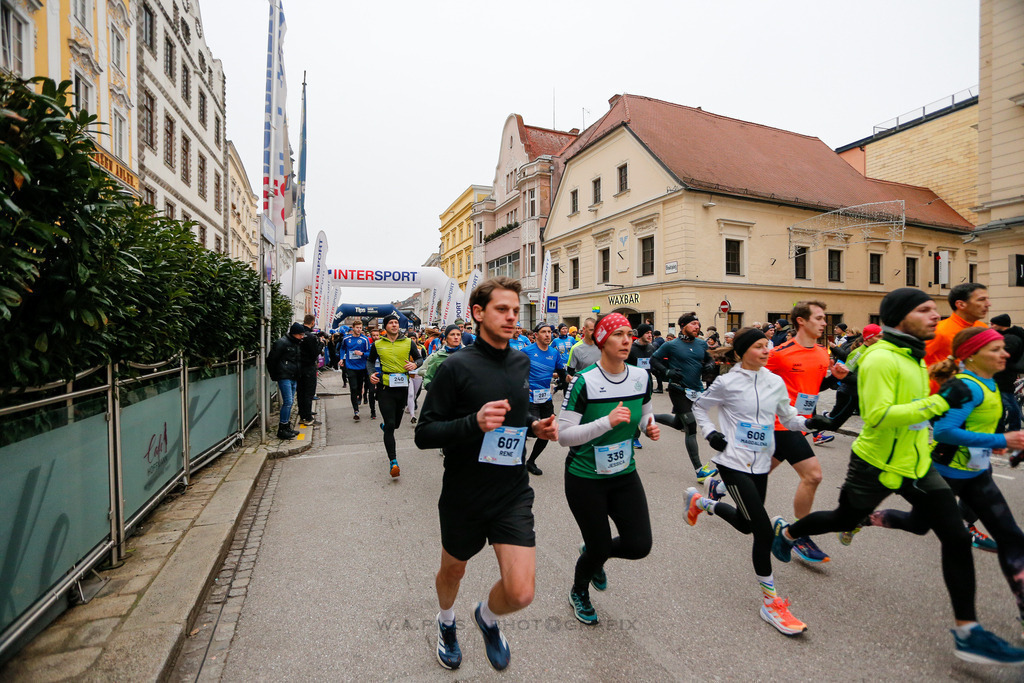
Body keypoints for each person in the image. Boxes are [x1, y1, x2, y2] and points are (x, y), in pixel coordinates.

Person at [771, 288, 1024, 666]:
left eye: (934, 309)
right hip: (875, 465)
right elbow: (877, 415)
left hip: (917, 464)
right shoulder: (880, 358)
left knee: (955, 537)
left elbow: (920, 414)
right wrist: (940, 402)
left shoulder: (914, 355)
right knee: (844, 518)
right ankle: (789, 533)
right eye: (924, 310)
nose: (934, 316)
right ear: (901, 316)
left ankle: (968, 632)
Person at [414, 277, 558, 672]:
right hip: (465, 493)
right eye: (502, 310)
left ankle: (487, 617)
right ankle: (446, 623)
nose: (512, 317)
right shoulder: (455, 366)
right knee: (453, 570)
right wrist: (472, 424)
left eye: (515, 311)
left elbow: (516, 416)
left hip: (512, 490)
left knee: (521, 592)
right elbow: (424, 434)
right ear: (478, 313)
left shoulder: (520, 361)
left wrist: (533, 427)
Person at [850, 327, 1024, 638]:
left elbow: (975, 427)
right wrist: (1001, 438)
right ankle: (862, 517)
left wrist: (993, 444)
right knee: (919, 525)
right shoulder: (964, 388)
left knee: (1012, 536)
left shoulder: (991, 384)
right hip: (945, 474)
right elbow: (943, 432)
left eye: (1003, 348)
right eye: (996, 349)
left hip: (977, 474)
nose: (1005, 354)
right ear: (971, 354)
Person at [686, 327, 818, 635]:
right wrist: (710, 433)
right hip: (732, 462)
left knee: (746, 524)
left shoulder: (774, 382)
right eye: (759, 346)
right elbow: (700, 408)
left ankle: (701, 502)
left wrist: (811, 423)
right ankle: (771, 603)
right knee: (761, 529)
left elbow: (788, 420)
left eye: (767, 346)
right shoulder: (727, 382)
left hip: (760, 463)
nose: (766, 351)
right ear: (743, 351)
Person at [559, 313, 660, 625]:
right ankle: (579, 590)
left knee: (639, 545)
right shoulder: (584, 381)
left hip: (624, 474)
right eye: (618, 334)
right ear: (602, 341)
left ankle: (595, 552)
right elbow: (563, 436)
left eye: (629, 334)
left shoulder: (641, 378)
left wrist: (648, 426)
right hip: (585, 477)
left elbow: (645, 413)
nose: (627, 340)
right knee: (600, 544)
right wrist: (605, 422)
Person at [761, 300, 848, 563]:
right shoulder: (780, 353)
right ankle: (797, 535)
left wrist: (835, 378)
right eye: (819, 318)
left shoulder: (823, 353)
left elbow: (814, 387)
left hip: (803, 425)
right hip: (780, 423)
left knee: (759, 473)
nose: (824, 323)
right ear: (801, 320)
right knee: (813, 476)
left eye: (825, 319)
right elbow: (755, 382)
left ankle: (718, 486)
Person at [651, 312, 718, 482]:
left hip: (696, 391)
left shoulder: (702, 344)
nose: (697, 327)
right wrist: (667, 371)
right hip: (678, 390)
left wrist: (710, 365)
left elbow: (710, 359)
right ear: (683, 326)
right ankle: (699, 470)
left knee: (677, 422)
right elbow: (654, 359)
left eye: (698, 324)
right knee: (690, 425)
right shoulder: (671, 345)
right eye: (694, 324)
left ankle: (647, 417)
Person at [369, 314, 422, 478]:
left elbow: (420, 358)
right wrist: (371, 373)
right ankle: (393, 462)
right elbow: (370, 362)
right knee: (391, 425)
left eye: (396, 322)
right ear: (385, 327)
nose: (394, 325)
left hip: (402, 387)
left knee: (396, 424)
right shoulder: (378, 344)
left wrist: (414, 364)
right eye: (391, 323)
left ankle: (387, 427)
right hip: (385, 387)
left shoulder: (408, 342)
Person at [925, 283, 990, 394]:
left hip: (977, 394)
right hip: (943, 399)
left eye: (987, 299)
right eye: (981, 300)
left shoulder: (984, 329)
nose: (988, 304)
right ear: (961, 304)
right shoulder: (940, 331)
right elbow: (918, 364)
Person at [521, 323, 566, 476]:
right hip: (530, 397)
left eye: (549, 332)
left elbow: (561, 372)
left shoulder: (554, 353)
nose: (548, 335)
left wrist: (565, 381)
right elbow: (517, 372)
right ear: (536, 335)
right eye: (543, 332)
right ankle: (517, 460)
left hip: (545, 397)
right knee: (531, 431)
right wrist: (524, 389)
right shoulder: (527, 351)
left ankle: (531, 461)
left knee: (547, 429)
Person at [265, 323, 304, 439]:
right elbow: (271, 360)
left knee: (290, 402)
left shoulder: (295, 343)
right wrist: (275, 375)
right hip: (285, 376)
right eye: (300, 334)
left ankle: (286, 425)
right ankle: (282, 428)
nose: (302, 337)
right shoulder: (282, 343)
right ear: (294, 334)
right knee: (287, 401)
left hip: (292, 376)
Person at [990, 314, 1024, 435]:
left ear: (1001, 325)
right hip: (1002, 374)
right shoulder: (1006, 337)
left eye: (993, 324)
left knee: (1009, 402)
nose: (991, 326)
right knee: (1001, 404)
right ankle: (999, 429)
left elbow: (1003, 356)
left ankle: (1013, 429)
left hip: (1004, 375)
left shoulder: (1011, 339)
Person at [627, 324, 656, 450]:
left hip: (647, 384)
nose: (650, 335)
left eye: (651, 333)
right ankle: (634, 437)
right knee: (634, 411)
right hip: (632, 384)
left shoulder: (652, 348)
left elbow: (655, 364)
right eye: (647, 333)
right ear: (640, 334)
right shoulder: (631, 349)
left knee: (644, 410)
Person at [340, 320, 371, 421]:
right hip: (350, 366)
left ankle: (360, 395)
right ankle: (356, 410)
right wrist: (341, 359)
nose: (359, 329)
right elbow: (342, 349)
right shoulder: (346, 339)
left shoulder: (365, 339)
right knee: (353, 388)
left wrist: (362, 354)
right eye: (357, 327)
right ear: (353, 328)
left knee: (359, 386)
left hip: (361, 367)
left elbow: (369, 353)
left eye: (360, 328)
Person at [297, 314, 322, 427]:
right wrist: (321, 344)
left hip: (299, 367)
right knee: (308, 392)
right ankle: (307, 417)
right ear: (312, 323)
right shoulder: (310, 337)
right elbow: (314, 353)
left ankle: (304, 413)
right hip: (309, 367)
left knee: (301, 392)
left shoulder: (299, 334)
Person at [421, 325, 463, 389]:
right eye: (452, 334)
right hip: (444, 395)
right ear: (446, 338)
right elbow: (428, 378)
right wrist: (431, 388)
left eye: (458, 334)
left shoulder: (468, 355)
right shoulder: (437, 356)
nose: (456, 337)